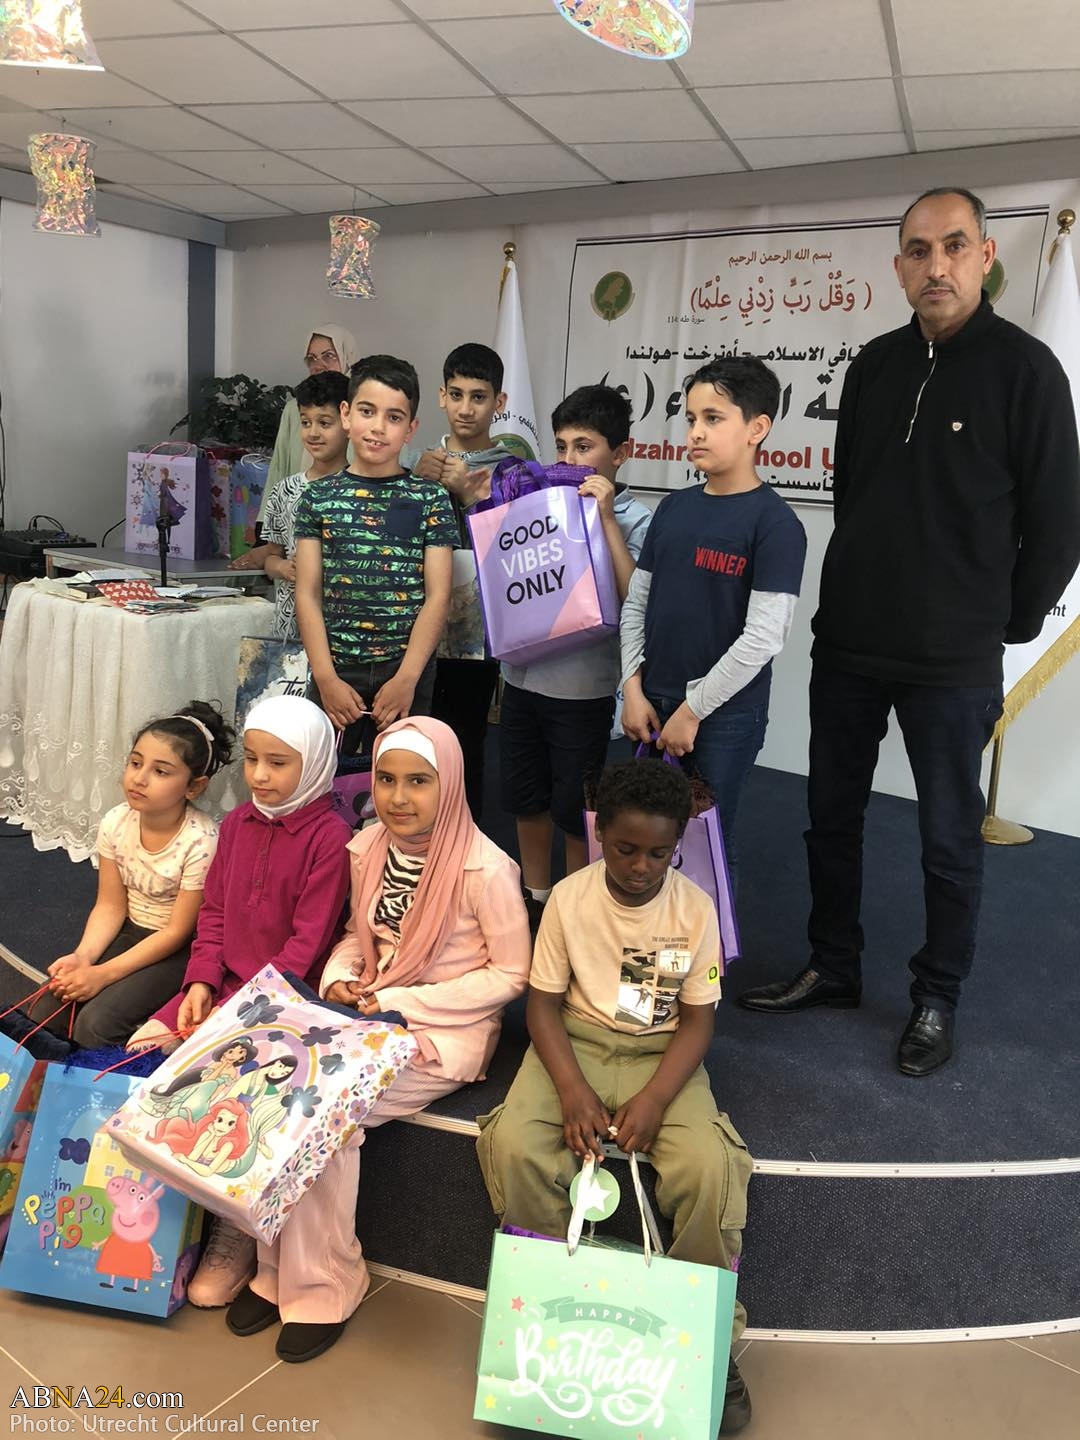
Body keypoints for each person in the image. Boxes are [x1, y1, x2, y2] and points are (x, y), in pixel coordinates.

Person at [738, 188, 1080, 1077]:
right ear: (899, 267)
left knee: (947, 839)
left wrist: (1002, 622)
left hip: (952, 659)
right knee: (829, 818)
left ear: (985, 257)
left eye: (954, 246)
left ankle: (937, 996)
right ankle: (833, 966)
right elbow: (852, 492)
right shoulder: (873, 366)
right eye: (919, 251)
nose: (937, 266)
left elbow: (1058, 527)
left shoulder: (1028, 371)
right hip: (852, 642)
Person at [222, 717, 531, 1364]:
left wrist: (401, 1002)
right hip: (367, 1014)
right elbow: (356, 940)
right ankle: (274, 1268)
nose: (398, 797)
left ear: (451, 784)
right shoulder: (368, 847)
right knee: (279, 1093)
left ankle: (327, 1286)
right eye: (386, 779)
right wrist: (339, 978)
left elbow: (511, 975)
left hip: (440, 1031)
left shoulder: (487, 869)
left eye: (419, 781)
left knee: (323, 1116)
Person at [476, 758, 754, 1435]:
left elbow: (698, 1021)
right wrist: (571, 1090)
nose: (640, 867)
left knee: (709, 1168)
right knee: (515, 1145)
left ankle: (705, 1335)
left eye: (659, 853)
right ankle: (538, 1327)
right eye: (626, 848)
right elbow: (542, 1006)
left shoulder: (696, 909)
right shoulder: (569, 899)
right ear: (599, 833)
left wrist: (657, 1099)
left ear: (678, 844)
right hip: (575, 1042)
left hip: (662, 1053)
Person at [127, 695, 353, 1308]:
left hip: (286, 1005)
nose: (259, 775)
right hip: (223, 987)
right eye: (251, 759)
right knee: (143, 1051)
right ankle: (170, 1215)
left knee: (241, 1096)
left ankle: (235, 1227)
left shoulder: (331, 838)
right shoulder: (235, 825)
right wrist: (200, 982)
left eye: (278, 763)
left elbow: (308, 942)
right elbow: (215, 915)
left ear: (313, 764)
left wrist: (244, 1013)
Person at [620, 356, 807, 878]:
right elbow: (637, 603)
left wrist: (693, 710)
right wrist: (631, 688)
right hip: (651, 703)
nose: (696, 432)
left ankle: (708, 938)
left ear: (757, 428)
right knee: (643, 840)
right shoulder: (673, 508)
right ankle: (646, 936)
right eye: (691, 419)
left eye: (713, 418)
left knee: (705, 848)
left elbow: (763, 638)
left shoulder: (775, 524)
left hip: (722, 718)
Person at [500, 385, 652, 926]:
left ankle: (570, 910)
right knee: (526, 798)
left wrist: (606, 518)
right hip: (522, 676)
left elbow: (637, 600)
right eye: (562, 446)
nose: (568, 459)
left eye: (584, 447)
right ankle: (535, 898)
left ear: (620, 452)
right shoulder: (537, 498)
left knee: (575, 809)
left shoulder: (636, 518)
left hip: (583, 689)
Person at [30, 704, 232, 1050]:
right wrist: (83, 958)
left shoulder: (202, 840)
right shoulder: (115, 822)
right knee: (46, 1008)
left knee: (95, 1026)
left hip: (178, 949)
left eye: (161, 771)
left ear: (194, 787)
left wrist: (102, 975)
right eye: (136, 763)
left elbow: (177, 931)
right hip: (130, 930)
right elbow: (109, 906)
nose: (139, 778)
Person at [294, 354, 457, 758]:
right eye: (367, 411)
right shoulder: (318, 497)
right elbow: (307, 593)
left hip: (405, 669)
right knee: (325, 777)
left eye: (394, 417)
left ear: (411, 429)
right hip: (336, 668)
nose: (378, 427)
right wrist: (326, 678)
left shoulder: (430, 498)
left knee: (400, 775)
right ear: (346, 415)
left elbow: (438, 595)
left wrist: (407, 678)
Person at [409, 342, 514, 818]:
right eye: (456, 395)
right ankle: (418, 836)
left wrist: (470, 496)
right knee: (418, 733)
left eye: (479, 397)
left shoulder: (511, 469)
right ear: (441, 396)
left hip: (478, 630)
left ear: (499, 402)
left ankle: (466, 837)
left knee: (466, 737)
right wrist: (414, 483)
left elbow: (515, 551)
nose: (466, 408)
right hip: (416, 623)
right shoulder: (419, 460)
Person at [230, 323, 359, 574]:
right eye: (311, 358)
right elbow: (279, 467)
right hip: (292, 516)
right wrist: (266, 535)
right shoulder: (293, 408)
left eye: (328, 356)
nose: (318, 365)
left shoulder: (362, 409)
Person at [260, 371, 350, 641]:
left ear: (347, 422)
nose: (313, 433)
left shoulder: (359, 489)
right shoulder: (284, 490)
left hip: (340, 630)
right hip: (290, 628)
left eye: (324, 423)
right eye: (305, 422)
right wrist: (283, 568)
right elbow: (271, 556)